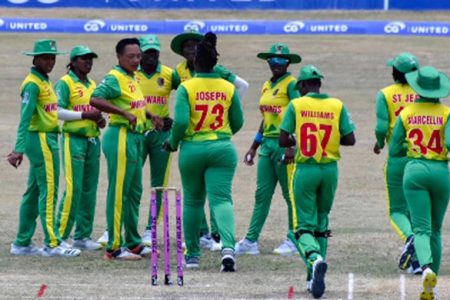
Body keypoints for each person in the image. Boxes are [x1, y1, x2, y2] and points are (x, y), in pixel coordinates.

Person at [163, 32, 244, 271]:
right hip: (222, 147)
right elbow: (238, 120)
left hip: (193, 148)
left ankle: (193, 256)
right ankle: (228, 249)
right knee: (221, 199)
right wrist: (222, 135)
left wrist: (172, 142)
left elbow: (180, 122)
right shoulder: (228, 87)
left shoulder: (187, 87)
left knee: (193, 201)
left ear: (195, 62)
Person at [279, 65, 355, 298]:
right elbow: (350, 139)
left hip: (306, 169)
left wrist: (299, 137)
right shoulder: (337, 105)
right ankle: (313, 280)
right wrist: (328, 136)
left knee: (302, 227)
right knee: (321, 225)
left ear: (303, 85)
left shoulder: (297, 105)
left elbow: (283, 140)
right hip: (329, 170)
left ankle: (314, 258)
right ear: (319, 83)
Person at [8, 39, 80, 257]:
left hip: (47, 137)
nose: (50, 62)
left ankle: (22, 243)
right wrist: (18, 148)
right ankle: (52, 242)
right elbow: (25, 118)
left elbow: (52, 111)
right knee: (49, 189)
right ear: (35, 59)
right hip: (39, 138)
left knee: (35, 191)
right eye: (46, 58)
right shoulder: (32, 83)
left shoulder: (44, 81)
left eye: (53, 58)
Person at [90, 38, 161, 260]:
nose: (136, 60)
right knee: (119, 192)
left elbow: (134, 105)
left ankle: (133, 242)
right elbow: (95, 99)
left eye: (138, 56)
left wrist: (150, 115)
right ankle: (113, 246)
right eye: (130, 56)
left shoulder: (131, 77)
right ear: (119, 57)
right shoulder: (114, 77)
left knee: (134, 192)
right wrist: (123, 114)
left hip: (135, 138)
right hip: (120, 136)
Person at [389, 66, 450, 300]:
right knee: (436, 229)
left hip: (414, 170)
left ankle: (425, 269)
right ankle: (433, 280)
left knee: (421, 228)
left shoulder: (406, 113)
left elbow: (394, 149)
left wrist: (412, 147)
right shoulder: (446, 113)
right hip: (441, 172)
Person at [235, 42, 300, 256]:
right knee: (261, 195)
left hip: (284, 144)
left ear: (288, 62)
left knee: (289, 195)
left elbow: (300, 114)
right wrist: (254, 146)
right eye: (272, 60)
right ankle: (251, 240)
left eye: (281, 60)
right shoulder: (266, 85)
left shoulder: (292, 84)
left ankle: (294, 239)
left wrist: (292, 145)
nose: (276, 64)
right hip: (267, 145)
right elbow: (266, 118)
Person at [373, 52, 421, 274]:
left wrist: (380, 143)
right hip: (423, 157)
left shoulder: (385, 94)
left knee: (397, 211)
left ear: (394, 73)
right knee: (417, 211)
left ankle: (409, 238)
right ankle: (418, 262)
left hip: (398, 158)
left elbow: (382, 127)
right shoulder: (425, 92)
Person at [54, 45, 105, 251]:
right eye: (84, 59)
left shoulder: (92, 84)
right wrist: (84, 116)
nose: (88, 62)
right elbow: (56, 111)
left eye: (90, 59)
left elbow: (93, 111)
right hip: (73, 139)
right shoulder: (65, 83)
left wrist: (98, 120)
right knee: (73, 188)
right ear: (73, 62)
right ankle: (59, 236)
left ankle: (82, 236)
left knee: (89, 190)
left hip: (92, 140)